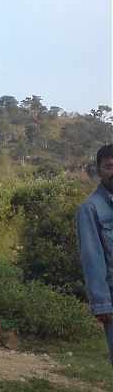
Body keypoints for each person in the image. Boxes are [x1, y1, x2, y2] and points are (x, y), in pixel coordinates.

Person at [76, 144, 113, 369]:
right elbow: (92, 257)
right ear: (98, 171)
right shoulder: (90, 208)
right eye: (109, 167)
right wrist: (102, 304)